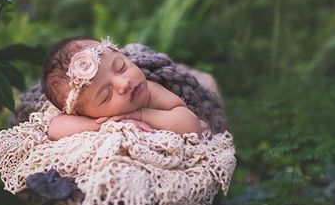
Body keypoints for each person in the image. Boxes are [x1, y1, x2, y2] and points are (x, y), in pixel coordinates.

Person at [42, 36, 215, 140]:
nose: (124, 83)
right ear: (85, 113)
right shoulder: (94, 117)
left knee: (208, 82)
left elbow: (191, 124)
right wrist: (105, 124)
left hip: (192, 83)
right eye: (106, 94)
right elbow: (55, 128)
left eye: (121, 67)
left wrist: (141, 115)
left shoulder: (149, 91)